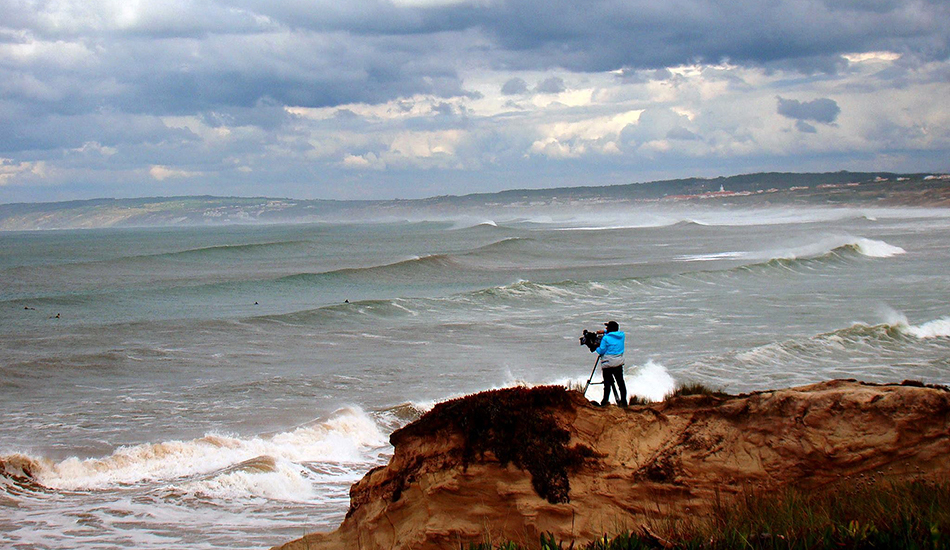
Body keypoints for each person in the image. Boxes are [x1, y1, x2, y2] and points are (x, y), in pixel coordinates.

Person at [592, 320, 627, 406]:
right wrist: (604, 331)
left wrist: (595, 346)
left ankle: (604, 402)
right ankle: (624, 402)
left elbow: (601, 351)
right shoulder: (622, 336)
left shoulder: (606, 338)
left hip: (608, 364)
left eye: (607, 327)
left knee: (607, 384)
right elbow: (612, 333)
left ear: (610, 329)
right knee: (620, 383)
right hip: (618, 363)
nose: (606, 328)